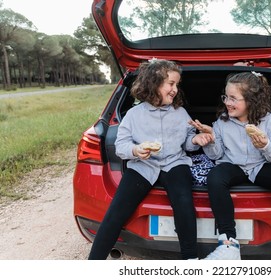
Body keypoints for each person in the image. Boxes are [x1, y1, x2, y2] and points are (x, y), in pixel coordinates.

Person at [88, 59, 212, 260]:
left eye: (177, 85)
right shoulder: (133, 115)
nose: (175, 89)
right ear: (153, 83)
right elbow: (121, 146)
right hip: (144, 165)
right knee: (116, 211)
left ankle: (191, 260)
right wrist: (136, 150)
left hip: (175, 163)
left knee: (183, 203)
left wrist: (196, 140)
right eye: (171, 83)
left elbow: (187, 143)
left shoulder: (180, 113)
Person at [190, 71, 271, 260]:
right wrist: (211, 140)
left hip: (260, 166)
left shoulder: (268, 121)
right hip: (232, 165)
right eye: (226, 97)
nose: (228, 102)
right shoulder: (221, 122)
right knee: (215, 177)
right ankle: (228, 245)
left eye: (233, 98)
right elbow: (217, 155)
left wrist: (266, 146)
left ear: (251, 100)